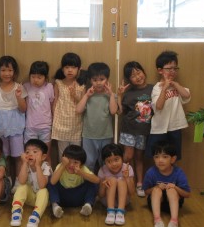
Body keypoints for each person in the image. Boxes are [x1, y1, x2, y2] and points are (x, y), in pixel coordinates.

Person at [117, 61, 154, 197]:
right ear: (129, 80)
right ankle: (124, 181)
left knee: (139, 157)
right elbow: (120, 111)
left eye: (138, 72)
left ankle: (139, 184)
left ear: (143, 72)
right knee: (128, 156)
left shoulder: (153, 89)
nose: (138, 77)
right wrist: (119, 95)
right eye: (133, 76)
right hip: (128, 129)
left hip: (144, 130)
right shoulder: (129, 93)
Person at [146, 51, 191, 160]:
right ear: (160, 70)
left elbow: (186, 95)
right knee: (157, 156)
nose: (172, 71)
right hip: (159, 128)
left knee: (173, 157)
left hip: (175, 127)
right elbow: (159, 106)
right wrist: (164, 89)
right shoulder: (157, 88)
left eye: (175, 68)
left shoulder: (177, 86)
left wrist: (175, 84)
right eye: (169, 68)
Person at [0, 55, 27, 179]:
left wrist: (19, 96)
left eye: (10, 70)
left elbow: (23, 109)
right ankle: (7, 180)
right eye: (3, 70)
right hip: (1, 128)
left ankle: (19, 182)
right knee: (4, 156)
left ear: (14, 71)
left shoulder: (19, 87)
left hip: (16, 128)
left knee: (18, 156)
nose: (6, 73)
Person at [142, 142, 191, 227]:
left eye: (165, 157)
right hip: (156, 203)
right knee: (156, 190)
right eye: (156, 157)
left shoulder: (178, 172)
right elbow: (146, 192)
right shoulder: (151, 172)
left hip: (173, 204)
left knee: (171, 190)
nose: (160, 160)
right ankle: (157, 220)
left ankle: (174, 222)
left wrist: (175, 187)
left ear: (173, 159)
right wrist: (156, 187)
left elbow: (187, 194)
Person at [76, 62, 117, 172]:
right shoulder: (88, 95)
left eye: (102, 79)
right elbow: (78, 110)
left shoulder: (111, 96)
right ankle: (89, 182)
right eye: (95, 80)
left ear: (107, 79)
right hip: (89, 136)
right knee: (88, 162)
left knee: (105, 162)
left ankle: (105, 182)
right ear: (90, 80)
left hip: (105, 135)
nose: (98, 83)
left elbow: (113, 111)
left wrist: (111, 95)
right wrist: (86, 95)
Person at [51, 52, 86, 162]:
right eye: (67, 67)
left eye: (73, 67)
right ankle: (63, 172)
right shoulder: (58, 83)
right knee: (63, 155)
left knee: (76, 154)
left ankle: (76, 172)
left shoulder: (81, 85)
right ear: (62, 69)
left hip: (76, 125)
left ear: (79, 69)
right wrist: (53, 118)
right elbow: (55, 101)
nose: (70, 70)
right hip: (61, 124)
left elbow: (83, 104)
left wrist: (75, 95)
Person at [48, 144, 100, 218]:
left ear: (81, 164)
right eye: (68, 161)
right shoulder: (61, 166)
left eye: (75, 162)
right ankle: (55, 206)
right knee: (51, 180)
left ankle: (88, 205)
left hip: (79, 198)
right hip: (62, 198)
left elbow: (97, 180)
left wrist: (81, 173)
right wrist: (63, 165)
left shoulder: (82, 168)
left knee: (92, 182)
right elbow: (53, 182)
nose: (71, 165)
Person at [10, 139, 52, 227]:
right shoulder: (26, 165)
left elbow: (42, 185)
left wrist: (37, 166)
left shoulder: (46, 166)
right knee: (22, 186)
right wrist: (24, 163)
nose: (30, 154)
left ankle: (36, 215)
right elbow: (21, 181)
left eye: (35, 152)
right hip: (30, 199)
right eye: (27, 152)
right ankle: (16, 211)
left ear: (43, 157)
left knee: (43, 190)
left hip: (43, 201)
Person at [23, 61, 55, 161]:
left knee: (46, 155)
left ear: (45, 77)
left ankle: (47, 172)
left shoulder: (49, 87)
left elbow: (52, 105)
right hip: (30, 127)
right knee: (30, 156)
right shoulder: (26, 86)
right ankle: (30, 172)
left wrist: (54, 121)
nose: (35, 80)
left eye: (39, 77)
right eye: (33, 77)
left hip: (45, 126)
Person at [97, 143, 135, 226]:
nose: (113, 164)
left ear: (122, 158)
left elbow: (132, 192)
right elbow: (100, 195)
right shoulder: (102, 170)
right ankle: (110, 212)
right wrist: (103, 185)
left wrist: (127, 178)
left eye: (116, 159)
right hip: (107, 202)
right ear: (104, 162)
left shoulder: (127, 168)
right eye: (109, 161)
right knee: (112, 180)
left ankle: (120, 212)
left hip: (124, 202)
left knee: (121, 180)